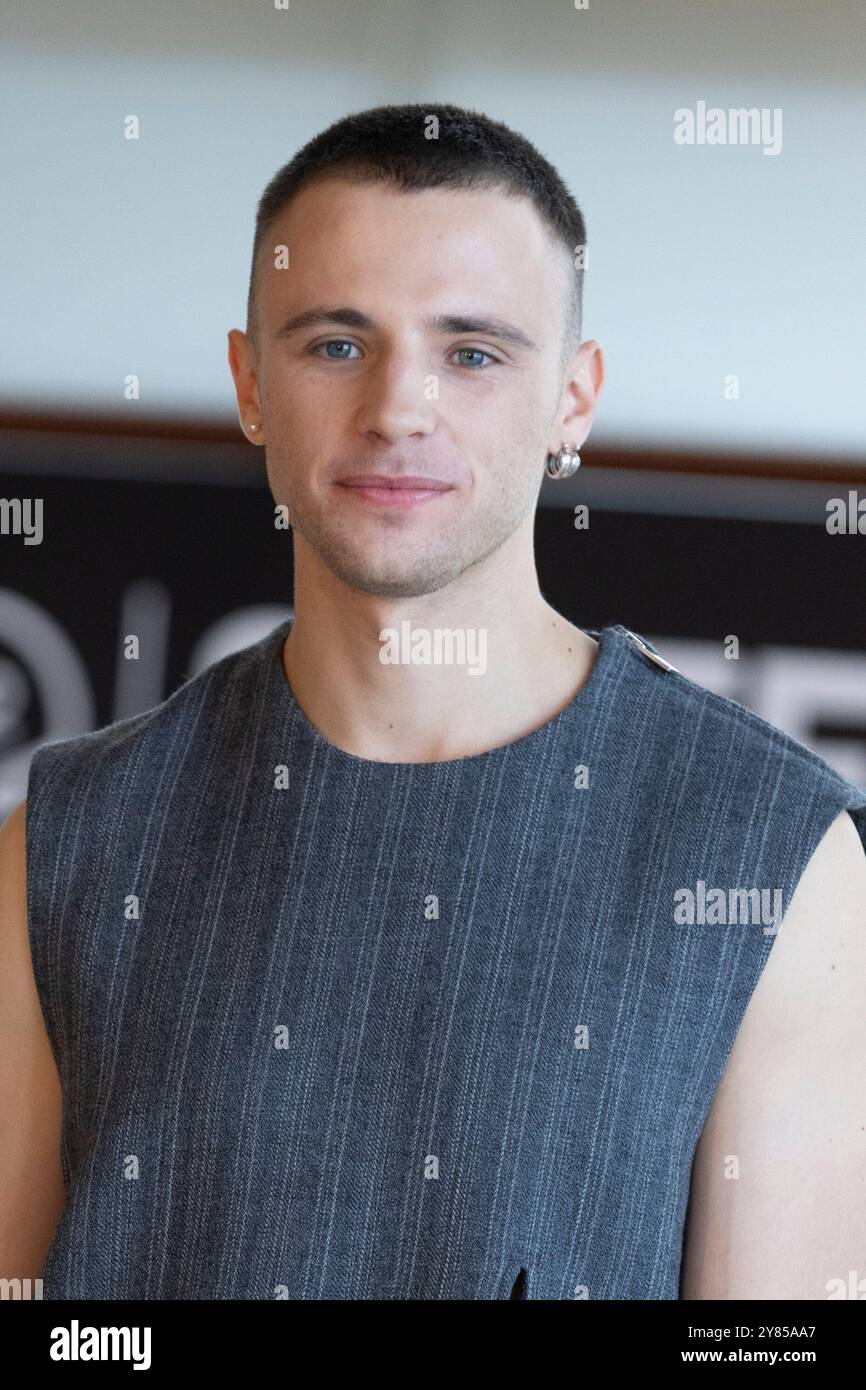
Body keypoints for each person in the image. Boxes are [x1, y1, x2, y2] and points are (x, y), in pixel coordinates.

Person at [2, 102, 865, 1302]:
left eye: (472, 352)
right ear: (252, 382)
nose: (399, 408)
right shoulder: (70, 833)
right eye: (336, 344)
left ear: (572, 398)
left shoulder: (770, 849)